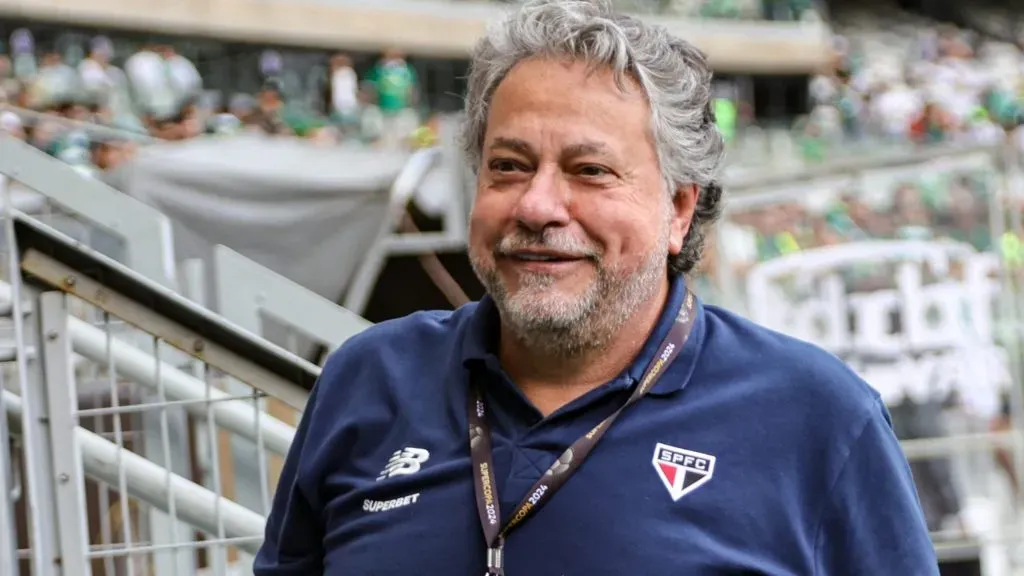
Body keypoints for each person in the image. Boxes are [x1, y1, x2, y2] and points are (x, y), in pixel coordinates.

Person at [255, 1, 937, 574]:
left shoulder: (817, 418)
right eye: (509, 166)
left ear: (678, 209)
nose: (537, 206)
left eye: (590, 170)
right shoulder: (367, 379)